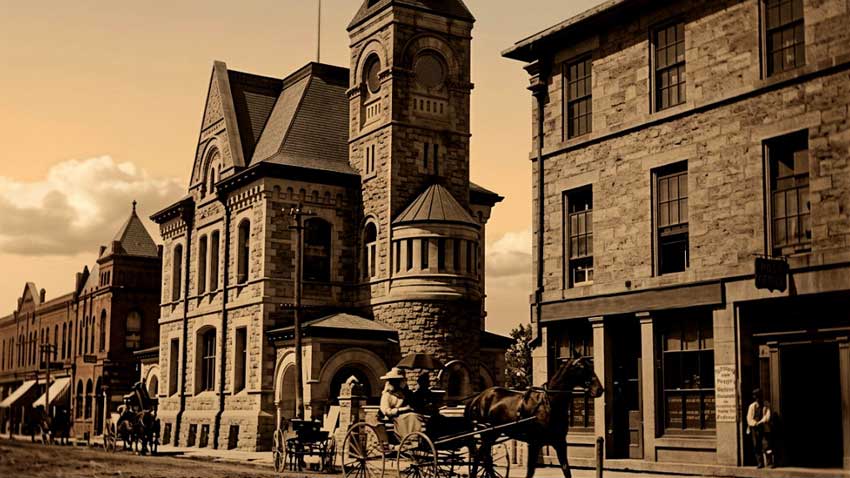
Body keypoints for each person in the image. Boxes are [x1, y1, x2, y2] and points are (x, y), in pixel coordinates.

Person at [379, 367, 425, 438]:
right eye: (395, 381)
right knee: (411, 416)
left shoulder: (402, 393)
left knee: (415, 415)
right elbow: (387, 411)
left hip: (403, 415)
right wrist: (404, 409)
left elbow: (411, 401)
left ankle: (417, 437)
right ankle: (409, 438)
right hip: (392, 418)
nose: (397, 383)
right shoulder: (387, 395)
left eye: (398, 381)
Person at [746, 388, 774, 468]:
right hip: (755, 429)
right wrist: (755, 424)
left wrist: (760, 422)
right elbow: (749, 418)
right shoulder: (752, 406)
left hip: (764, 428)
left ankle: (769, 463)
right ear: (755, 398)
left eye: (759, 396)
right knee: (757, 446)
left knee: (767, 445)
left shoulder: (766, 405)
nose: (758, 399)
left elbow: (767, 416)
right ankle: (760, 463)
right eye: (756, 397)